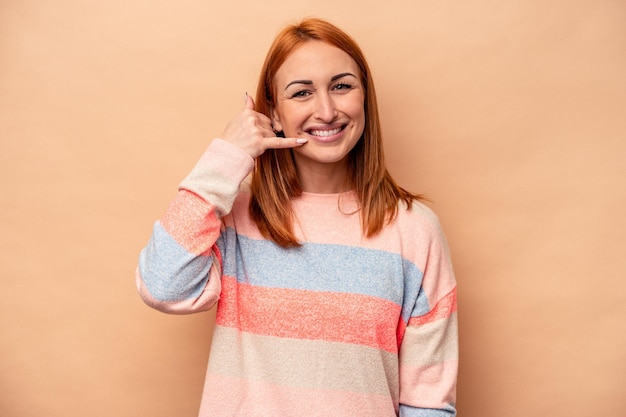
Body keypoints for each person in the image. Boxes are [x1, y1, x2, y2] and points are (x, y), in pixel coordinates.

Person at [136, 17, 458, 417]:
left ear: (364, 97)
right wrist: (225, 157)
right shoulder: (234, 218)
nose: (326, 110)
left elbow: (427, 402)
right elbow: (163, 286)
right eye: (301, 92)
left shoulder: (414, 229)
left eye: (342, 86)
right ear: (273, 110)